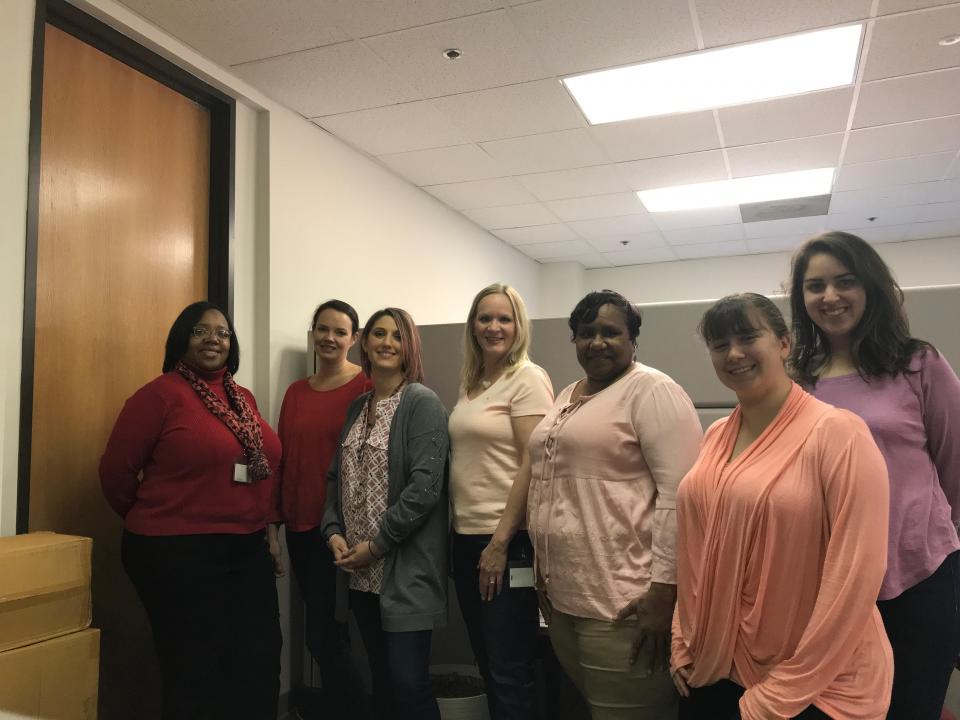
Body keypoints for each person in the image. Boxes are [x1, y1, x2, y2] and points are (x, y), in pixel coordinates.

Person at [671, 292, 893, 720]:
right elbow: (694, 550)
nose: (734, 353)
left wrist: (784, 691)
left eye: (749, 337)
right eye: (720, 345)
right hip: (712, 664)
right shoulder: (716, 434)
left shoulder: (838, 433)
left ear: (784, 343)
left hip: (813, 683)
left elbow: (856, 573)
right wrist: (681, 638)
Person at [789, 232, 960, 720]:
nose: (830, 297)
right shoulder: (796, 378)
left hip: (919, 573)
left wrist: (922, 528)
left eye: (845, 282)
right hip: (831, 580)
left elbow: (956, 466)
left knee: (912, 707)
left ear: (870, 287)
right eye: (815, 286)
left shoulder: (917, 362)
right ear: (801, 299)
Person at [100, 301, 283, 720]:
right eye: (201, 331)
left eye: (222, 332)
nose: (213, 339)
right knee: (195, 671)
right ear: (181, 339)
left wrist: (269, 530)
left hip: (245, 548)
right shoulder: (159, 395)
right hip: (176, 553)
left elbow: (267, 467)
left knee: (258, 661)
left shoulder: (243, 398)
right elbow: (115, 475)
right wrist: (165, 516)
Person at [527, 289, 702, 720]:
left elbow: (679, 497)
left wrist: (664, 594)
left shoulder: (652, 390)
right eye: (587, 333)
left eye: (611, 332)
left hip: (624, 602)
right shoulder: (568, 392)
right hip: (565, 599)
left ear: (633, 339)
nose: (597, 342)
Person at [321, 307, 449, 720]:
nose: (387, 342)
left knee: (409, 685)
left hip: (402, 570)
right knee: (383, 681)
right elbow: (334, 479)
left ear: (409, 346)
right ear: (365, 342)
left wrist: (376, 546)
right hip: (359, 574)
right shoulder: (357, 408)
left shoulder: (421, 403)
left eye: (397, 335)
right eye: (378, 333)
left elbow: (424, 490)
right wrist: (333, 530)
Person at [448, 283, 553, 720]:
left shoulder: (526, 378)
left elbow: (536, 465)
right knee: (489, 664)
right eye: (485, 318)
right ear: (473, 325)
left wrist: (500, 543)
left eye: (504, 319)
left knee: (510, 669)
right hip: (467, 539)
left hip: (506, 543)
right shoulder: (474, 383)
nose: (494, 327)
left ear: (519, 326)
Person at [277, 299, 372, 717]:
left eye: (340, 331)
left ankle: (354, 711)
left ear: (355, 338)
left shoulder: (366, 387)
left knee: (325, 635)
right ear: (312, 333)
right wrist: (272, 528)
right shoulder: (296, 392)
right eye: (322, 329)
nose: (330, 338)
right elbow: (284, 459)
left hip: (345, 532)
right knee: (328, 634)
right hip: (301, 527)